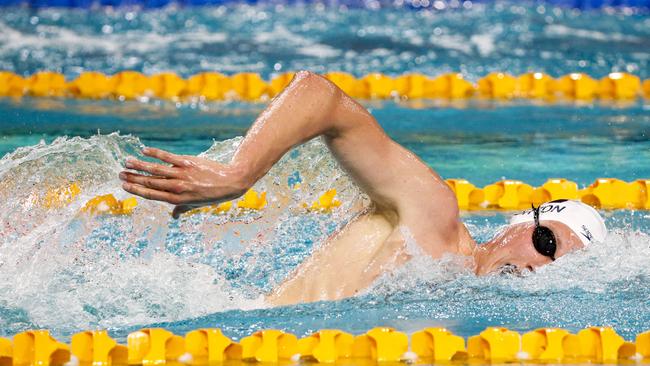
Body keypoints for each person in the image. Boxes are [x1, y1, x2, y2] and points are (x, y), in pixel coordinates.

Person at [119, 71, 607, 305]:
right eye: (547, 243)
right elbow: (322, 97)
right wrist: (239, 174)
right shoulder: (434, 219)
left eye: (556, 266)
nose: (538, 265)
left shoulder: (451, 299)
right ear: (519, 224)